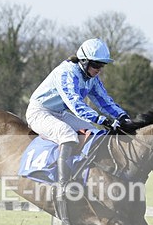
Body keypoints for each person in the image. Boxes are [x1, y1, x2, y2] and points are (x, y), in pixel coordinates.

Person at [26, 38, 132, 188]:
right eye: (96, 64)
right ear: (83, 61)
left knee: (95, 133)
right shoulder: (66, 73)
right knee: (67, 134)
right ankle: (63, 185)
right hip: (39, 112)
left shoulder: (92, 78)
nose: (99, 69)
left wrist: (123, 116)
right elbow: (76, 104)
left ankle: (86, 175)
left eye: (102, 65)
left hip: (59, 112)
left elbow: (104, 101)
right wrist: (103, 120)